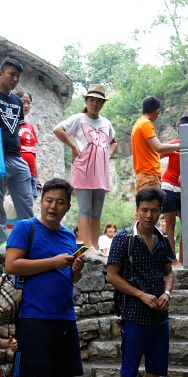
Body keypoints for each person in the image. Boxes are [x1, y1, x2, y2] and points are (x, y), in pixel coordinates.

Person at [2, 178, 91, 377]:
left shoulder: (68, 235)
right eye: (49, 200)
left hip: (64, 315)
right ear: (41, 201)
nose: (53, 206)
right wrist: (54, 261)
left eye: (60, 202)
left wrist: (76, 269)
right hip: (34, 315)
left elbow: (69, 278)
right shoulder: (26, 227)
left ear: (68, 206)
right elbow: (12, 264)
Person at [106, 187, 176, 377]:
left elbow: (169, 272)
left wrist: (167, 293)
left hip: (159, 316)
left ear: (160, 212)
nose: (149, 215)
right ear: (137, 210)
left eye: (154, 210)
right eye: (144, 210)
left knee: (155, 370)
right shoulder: (123, 239)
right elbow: (112, 276)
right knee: (128, 371)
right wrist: (141, 295)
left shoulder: (162, 239)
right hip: (133, 315)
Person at [54, 84, 118, 253]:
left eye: (99, 101)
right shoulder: (78, 118)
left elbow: (114, 142)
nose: (95, 104)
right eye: (92, 100)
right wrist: (74, 147)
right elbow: (58, 130)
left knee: (97, 211)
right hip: (83, 168)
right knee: (85, 208)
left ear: (103, 103)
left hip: (101, 171)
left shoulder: (106, 122)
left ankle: (95, 246)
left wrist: (109, 153)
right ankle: (87, 245)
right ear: (87, 101)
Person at [0, 57, 35, 244]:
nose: (15, 79)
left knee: (26, 201)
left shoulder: (17, 101)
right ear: (0, 74)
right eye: (11, 74)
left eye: (18, 76)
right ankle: (2, 241)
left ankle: (30, 241)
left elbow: (16, 128)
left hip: (17, 156)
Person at [160, 116, 188, 264]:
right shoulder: (174, 145)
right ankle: (172, 260)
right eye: (180, 131)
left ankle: (183, 259)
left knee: (186, 226)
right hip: (168, 186)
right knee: (170, 224)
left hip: (187, 190)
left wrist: (187, 173)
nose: (182, 134)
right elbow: (157, 155)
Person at [131, 95, 180, 193]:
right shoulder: (146, 124)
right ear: (157, 111)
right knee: (151, 203)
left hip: (145, 175)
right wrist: (180, 146)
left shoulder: (138, 124)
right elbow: (159, 147)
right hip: (149, 175)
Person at [15, 90, 41, 198]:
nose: (26, 106)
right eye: (22, 102)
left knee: (29, 204)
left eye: (28, 103)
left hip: (31, 173)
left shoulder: (30, 126)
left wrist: (37, 176)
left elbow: (33, 153)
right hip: (17, 172)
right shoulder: (11, 124)